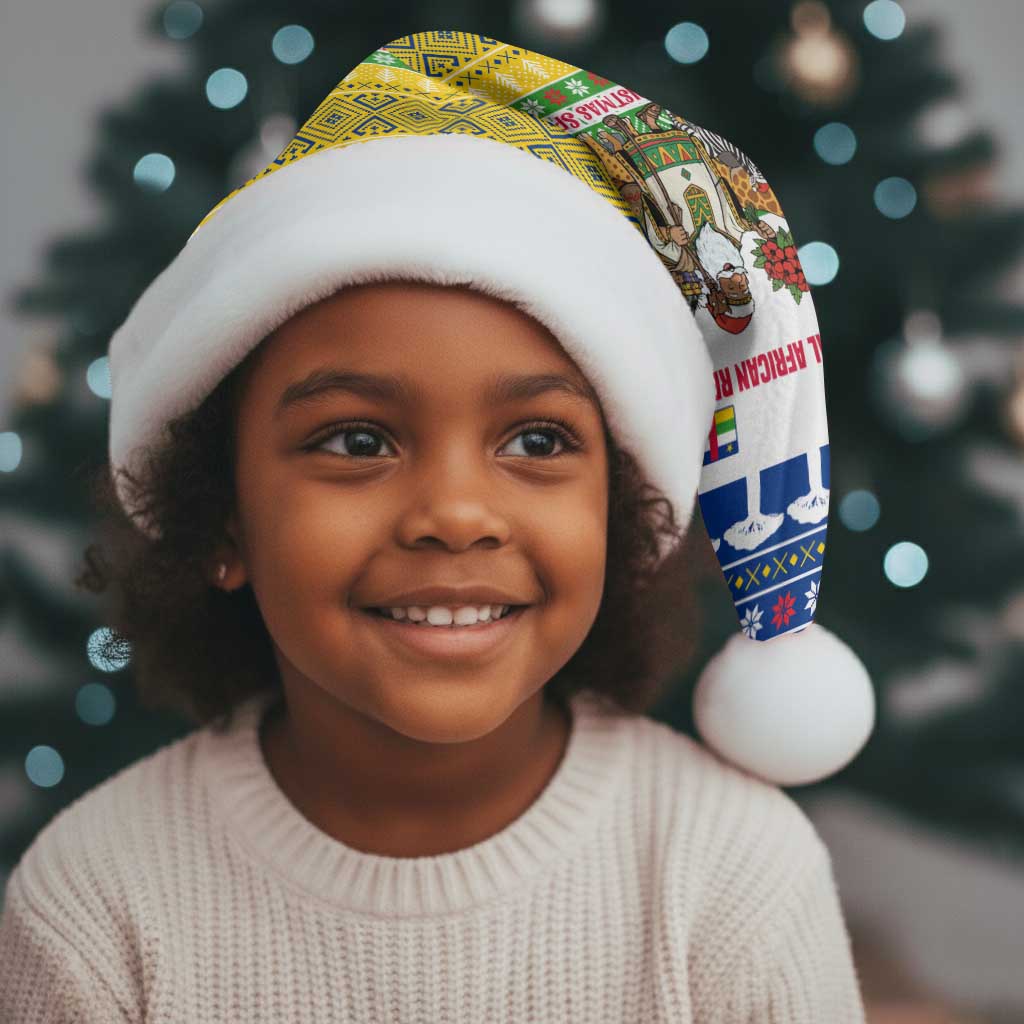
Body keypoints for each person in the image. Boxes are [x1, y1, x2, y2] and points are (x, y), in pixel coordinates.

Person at [0, 29, 874, 1022]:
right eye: (358, 440)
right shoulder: (97, 898)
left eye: (538, 441)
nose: (456, 514)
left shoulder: (730, 871)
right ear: (220, 518)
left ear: (621, 511)